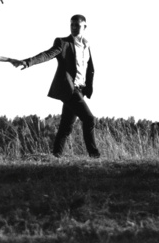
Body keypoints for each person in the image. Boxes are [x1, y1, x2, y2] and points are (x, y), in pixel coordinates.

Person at [17, 13, 100, 158]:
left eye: (77, 25)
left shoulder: (87, 45)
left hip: (80, 90)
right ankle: (94, 155)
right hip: (69, 88)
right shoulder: (63, 43)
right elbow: (47, 54)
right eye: (72, 25)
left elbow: (90, 67)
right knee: (89, 119)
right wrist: (28, 62)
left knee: (66, 126)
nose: (74, 27)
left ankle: (55, 156)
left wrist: (88, 87)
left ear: (85, 26)